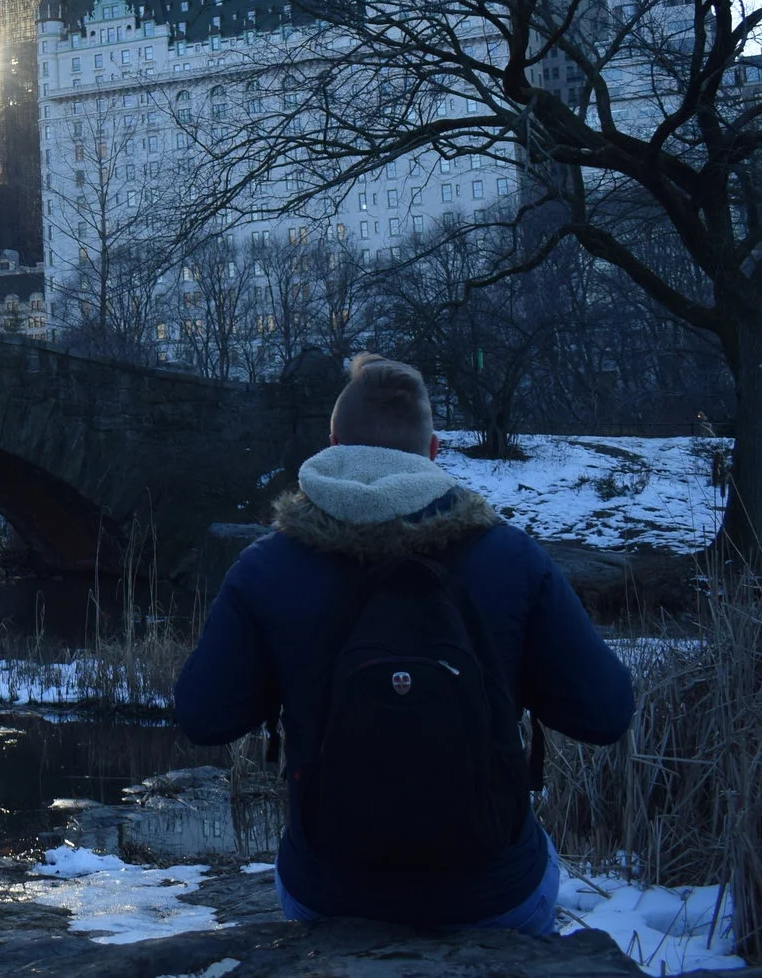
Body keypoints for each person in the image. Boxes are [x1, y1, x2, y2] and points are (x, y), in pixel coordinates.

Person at [172, 353, 633, 932]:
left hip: (332, 892)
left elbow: (203, 717)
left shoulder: (268, 567)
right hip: (493, 895)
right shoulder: (510, 558)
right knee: (533, 872)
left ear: (333, 442)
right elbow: (607, 713)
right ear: (433, 451)